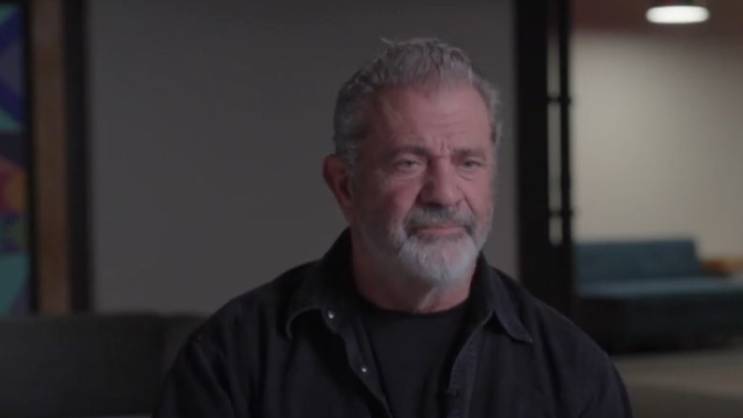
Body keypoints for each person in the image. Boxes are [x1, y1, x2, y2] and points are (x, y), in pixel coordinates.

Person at [155, 38, 632, 418]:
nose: (444, 194)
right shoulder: (232, 359)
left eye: (468, 162)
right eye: (409, 162)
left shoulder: (573, 371)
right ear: (345, 186)